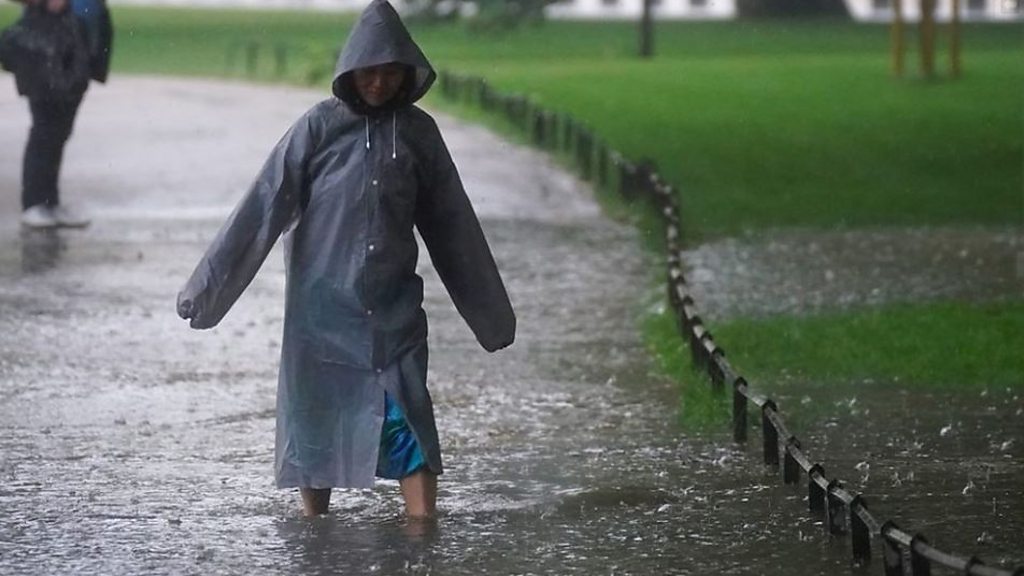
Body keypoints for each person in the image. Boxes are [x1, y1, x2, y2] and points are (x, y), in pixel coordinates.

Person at [176, 0, 516, 518]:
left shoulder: (420, 135)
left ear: (406, 75)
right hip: (320, 312)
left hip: (393, 309)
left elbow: (454, 225)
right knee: (316, 421)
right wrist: (207, 290)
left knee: (409, 417)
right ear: (350, 73)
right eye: (368, 74)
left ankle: (422, 532)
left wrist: (492, 318)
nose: (378, 85)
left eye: (389, 74)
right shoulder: (316, 128)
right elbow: (263, 206)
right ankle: (316, 532)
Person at [0, 0, 112, 228]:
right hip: (49, 52)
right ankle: (34, 203)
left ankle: (48, 202)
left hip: (73, 47)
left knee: (57, 134)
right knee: (45, 132)